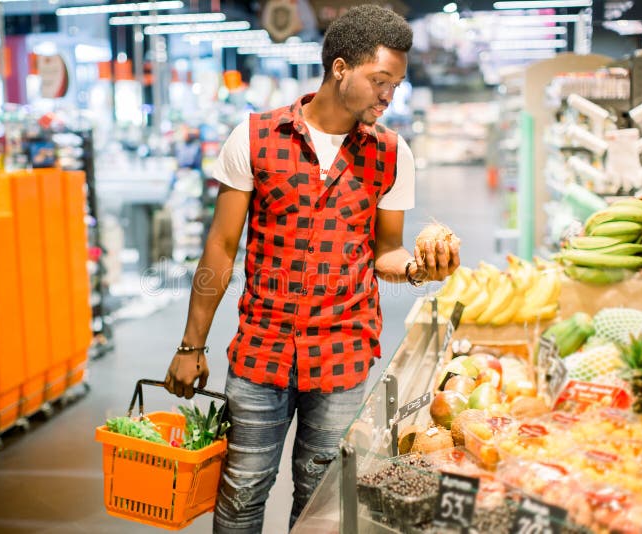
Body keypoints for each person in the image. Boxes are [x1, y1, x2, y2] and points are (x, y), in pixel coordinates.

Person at [164, 5, 460, 532]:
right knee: (240, 494)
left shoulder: (392, 154)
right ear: (341, 68)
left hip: (343, 358)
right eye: (380, 81)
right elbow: (220, 247)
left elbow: (385, 254)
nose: (388, 96)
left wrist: (418, 268)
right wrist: (192, 346)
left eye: (396, 84)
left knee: (322, 501)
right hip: (261, 352)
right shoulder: (256, 138)